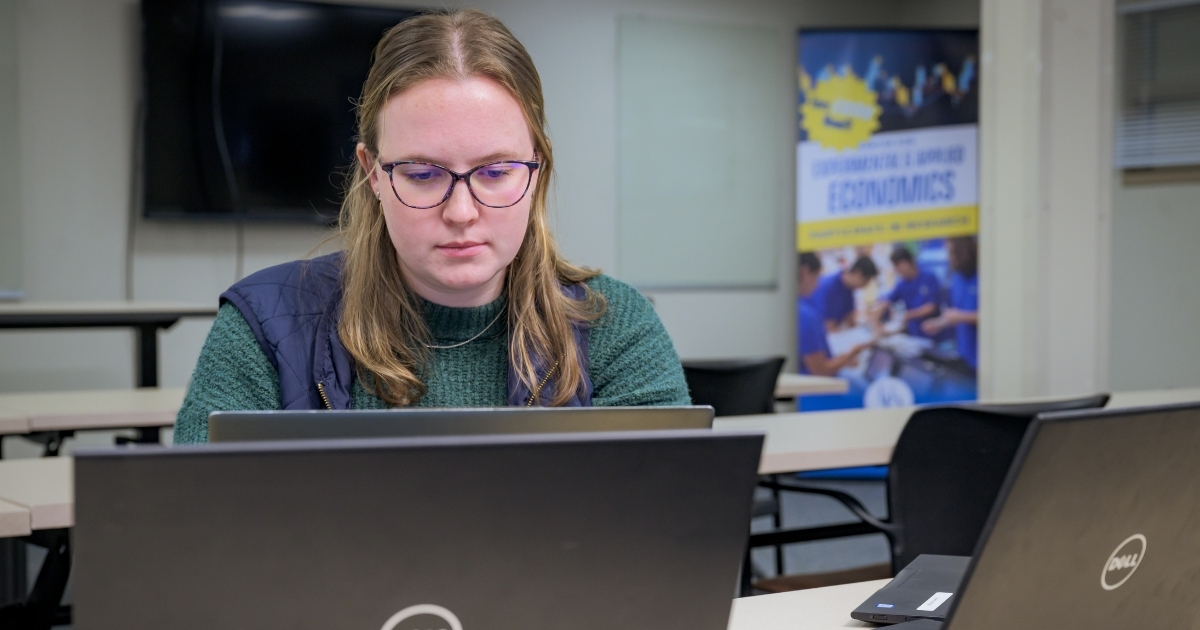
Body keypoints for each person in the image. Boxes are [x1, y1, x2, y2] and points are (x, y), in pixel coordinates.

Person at [173, 10, 690, 444]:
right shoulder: (265, 330)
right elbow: (192, 533)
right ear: (373, 174)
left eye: (494, 172)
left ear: (538, 171)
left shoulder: (613, 326)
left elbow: (670, 537)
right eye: (423, 174)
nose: (462, 211)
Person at [797, 252, 871, 376]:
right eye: (816, 277)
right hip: (814, 388)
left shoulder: (798, 309)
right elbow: (820, 371)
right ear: (805, 272)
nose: (817, 284)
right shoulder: (806, 315)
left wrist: (841, 360)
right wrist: (849, 355)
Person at [922, 237, 979, 371]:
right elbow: (957, 313)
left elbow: (998, 317)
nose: (949, 258)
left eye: (952, 253)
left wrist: (961, 317)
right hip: (964, 356)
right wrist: (939, 323)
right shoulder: (956, 278)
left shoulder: (984, 276)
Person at [880, 244, 940, 337]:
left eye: (897, 266)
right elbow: (887, 300)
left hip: (933, 333)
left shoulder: (928, 277)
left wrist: (906, 315)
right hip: (915, 334)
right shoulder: (901, 284)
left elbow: (931, 307)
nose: (896, 270)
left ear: (906, 263)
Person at [809, 255, 878, 332]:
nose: (865, 286)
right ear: (858, 273)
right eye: (866, 281)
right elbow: (828, 325)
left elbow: (850, 318)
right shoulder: (828, 286)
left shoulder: (849, 289)